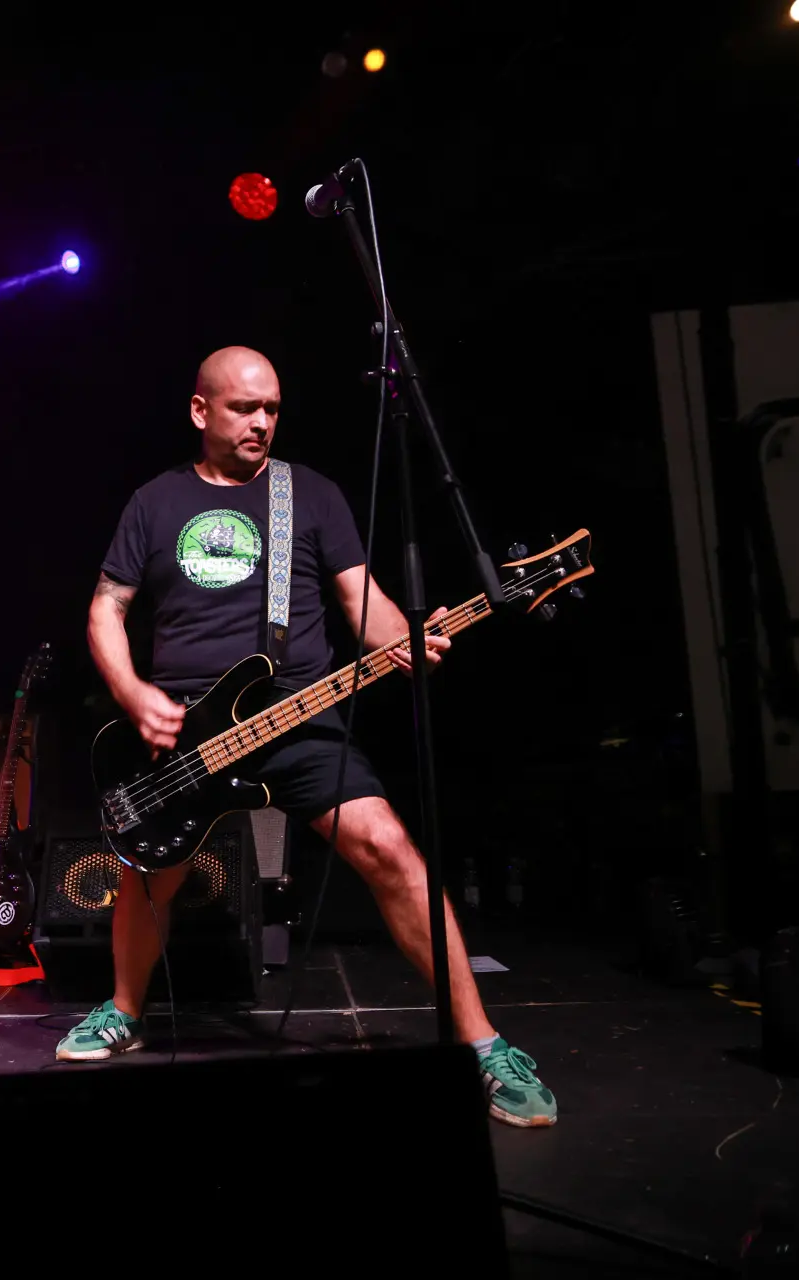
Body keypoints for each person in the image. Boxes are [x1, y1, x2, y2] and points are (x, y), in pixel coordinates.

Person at [62, 346, 557, 1128]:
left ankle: (482, 1043)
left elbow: (365, 607)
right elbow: (105, 609)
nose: (261, 422)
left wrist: (411, 637)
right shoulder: (155, 502)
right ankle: (123, 1012)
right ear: (200, 411)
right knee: (146, 872)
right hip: (186, 731)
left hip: (299, 716)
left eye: (272, 409)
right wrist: (133, 694)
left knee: (390, 849)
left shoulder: (311, 495)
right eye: (244, 408)